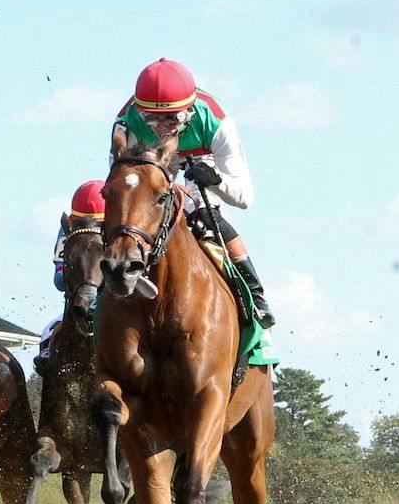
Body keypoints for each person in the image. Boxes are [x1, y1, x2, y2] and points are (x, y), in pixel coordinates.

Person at [111, 57, 274, 328]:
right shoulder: (126, 123)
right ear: (141, 112)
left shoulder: (216, 123)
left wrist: (214, 181)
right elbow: (124, 188)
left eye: (171, 119)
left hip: (203, 163)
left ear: (188, 112)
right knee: (125, 224)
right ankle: (96, 299)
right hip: (152, 166)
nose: (162, 128)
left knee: (205, 215)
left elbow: (245, 198)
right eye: (151, 119)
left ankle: (256, 297)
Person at [34, 180, 105, 377]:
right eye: (80, 224)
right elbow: (58, 280)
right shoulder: (66, 232)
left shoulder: (120, 233)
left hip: (114, 305)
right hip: (77, 304)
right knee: (48, 333)